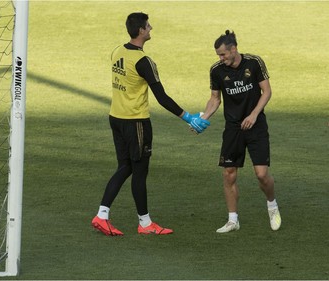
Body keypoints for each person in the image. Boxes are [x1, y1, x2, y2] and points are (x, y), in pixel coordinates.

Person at [91, 12, 210, 236]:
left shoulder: (117, 51)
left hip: (115, 117)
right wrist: (188, 117)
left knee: (125, 167)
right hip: (135, 121)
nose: (151, 28)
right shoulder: (144, 62)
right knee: (139, 171)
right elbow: (161, 97)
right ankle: (144, 224)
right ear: (141, 31)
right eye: (148, 26)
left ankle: (103, 215)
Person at [200, 30, 281, 233]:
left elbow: (267, 91)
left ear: (233, 49)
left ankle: (272, 205)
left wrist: (253, 115)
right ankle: (233, 220)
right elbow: (215, 99)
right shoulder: (217, 70)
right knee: (229, 174)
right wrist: (203, 119)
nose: (220, 58)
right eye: (218, 55)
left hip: (256, 126)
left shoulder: (254, 63)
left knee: (262, 175)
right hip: (233, 128)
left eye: (223, 54)